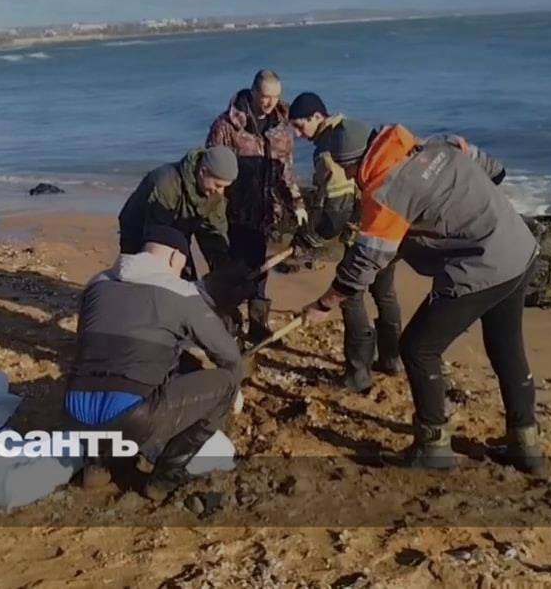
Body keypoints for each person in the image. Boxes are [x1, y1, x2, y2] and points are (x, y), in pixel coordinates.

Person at [300, 124, 541, 473]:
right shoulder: (437, 144)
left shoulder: (387, 192)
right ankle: (526, 444)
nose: (348, 177)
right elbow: (495, 170)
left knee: (418, 349)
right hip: (518, 247)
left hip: (482, 266)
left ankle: (433, 447)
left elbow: (365, 262)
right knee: (506, 346)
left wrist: (324, 304)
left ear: (353, 162)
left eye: (345, 170)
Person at [66, 225, 245, 500]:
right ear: (175, 257)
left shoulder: (96, 283)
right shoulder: (181, 291)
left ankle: (97, 466)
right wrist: (234, 393)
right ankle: (163, 479)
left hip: (75, 411)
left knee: (116, 370)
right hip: (132, 418)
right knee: (227, 383)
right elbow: (229, 356)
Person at [288, 92, 402, 393]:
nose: (298, 135)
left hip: (364, 234)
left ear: (317, 117)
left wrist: (311, 238)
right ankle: (391, 359)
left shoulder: (329, 151)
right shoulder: (352, 129)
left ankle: (358, 374)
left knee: (350, 297)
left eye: (300, 126)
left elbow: (337, 209)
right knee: (385, 293)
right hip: (391, 226)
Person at [206, 69, 304, 342]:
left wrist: (297, 204)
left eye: (276, 97)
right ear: (252, 92)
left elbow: (287, 170)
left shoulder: (283, 125)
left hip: (265, 211)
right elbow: (212, 169)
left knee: (260, 268)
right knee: (232, 270)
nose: (270, 103)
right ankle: (229, 326)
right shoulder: (226, 126)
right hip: (232, 212)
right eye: (265, 96)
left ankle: (258, 325)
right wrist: (213, 211)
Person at [117, 145, 240, 280]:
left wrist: (224, 271)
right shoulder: (166, 183)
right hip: (139, 230)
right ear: (203, 171)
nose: (220, 192)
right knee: (144, 277)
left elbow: (213, 235)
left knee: (188, 281)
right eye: (218, 185)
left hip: (179, 230)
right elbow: (157, 237)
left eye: (225, 187)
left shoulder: (214, 194)